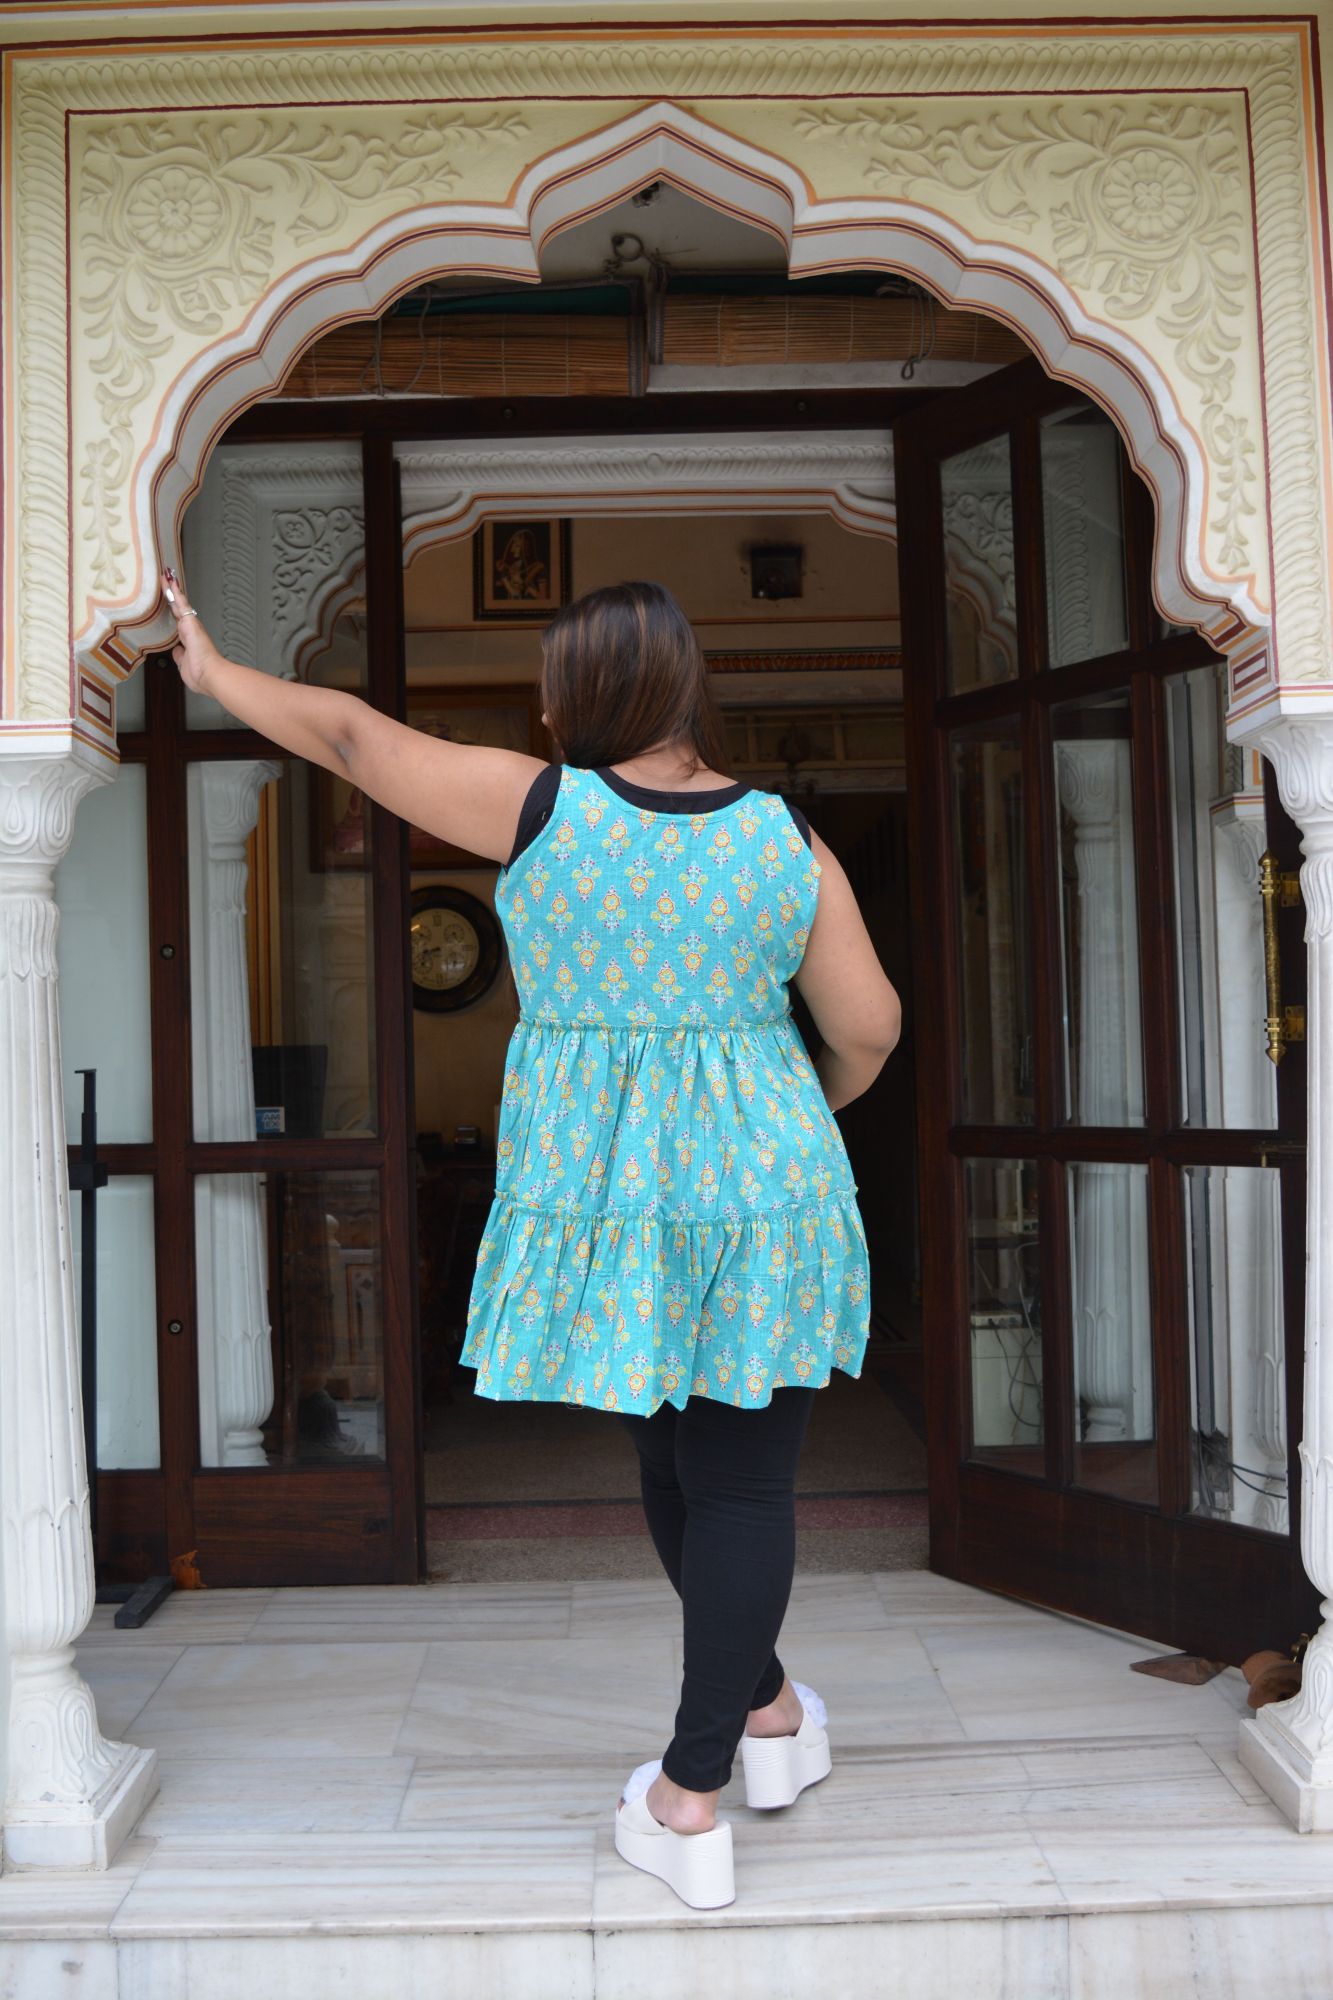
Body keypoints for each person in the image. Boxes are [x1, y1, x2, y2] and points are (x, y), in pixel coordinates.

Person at [163, 567, 901, 1911]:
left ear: (577, 694)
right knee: (715, 1473)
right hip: (762, 1189)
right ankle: (772, 1712)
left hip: (606, 1205)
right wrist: (786, 1113)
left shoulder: (542, 806)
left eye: (550, 682)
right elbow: (868, 1030)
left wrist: (210, 675)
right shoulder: (785, 841)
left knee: (686, 1473)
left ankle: (689, 1798)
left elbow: (345, 735)